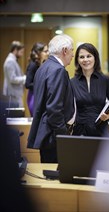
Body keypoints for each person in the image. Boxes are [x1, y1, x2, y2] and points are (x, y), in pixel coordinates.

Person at [27, 34, 75, 163]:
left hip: (47, 134)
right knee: (56, 178)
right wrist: (63, 135)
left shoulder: (44, 67)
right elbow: (54, 108)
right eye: (72, 50)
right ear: (65, 50)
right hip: (53, 136)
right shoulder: (58, 70)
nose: (73, 55)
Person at [71, 43, 109, 137]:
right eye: (81, 57)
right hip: (80, 131)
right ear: (77, 60)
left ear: (95, 58)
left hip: (101, 130)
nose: (85, 60)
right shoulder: (72, 82)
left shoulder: (105, 80)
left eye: (89, 56)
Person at [25, 42, 49, 116]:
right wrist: (42, 84)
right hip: (33, 97)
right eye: (45, 51)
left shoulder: (43, 64)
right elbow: (27, 84)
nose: (48, 53)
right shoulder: (33, 65)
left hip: (40, 95)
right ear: (39, 53)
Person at [3, 41, 26, 107]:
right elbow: (12, 79)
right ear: (15, 50)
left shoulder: (12, 60)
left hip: (14, 93)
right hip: (13, 94)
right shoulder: (10, 61)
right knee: (15, 114)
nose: (22, 55)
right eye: (21, 52)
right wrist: (25, 78)